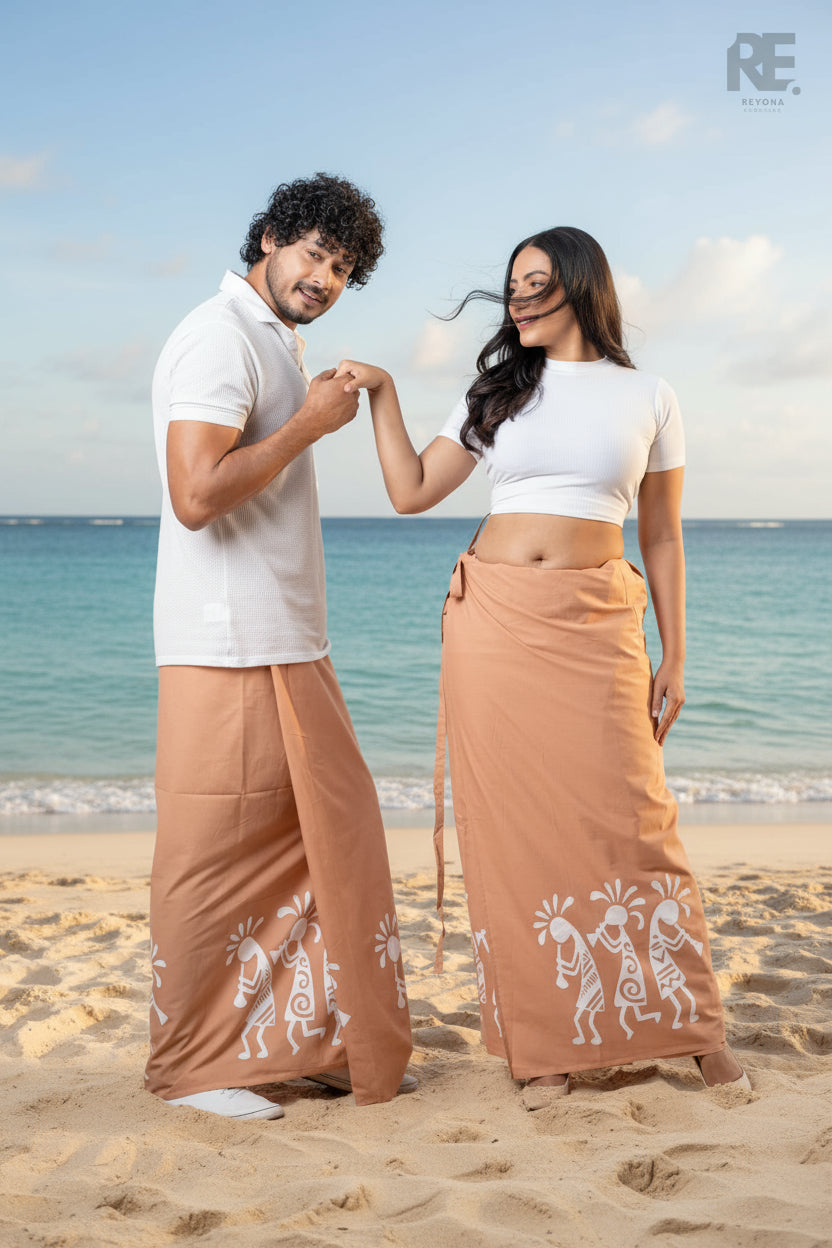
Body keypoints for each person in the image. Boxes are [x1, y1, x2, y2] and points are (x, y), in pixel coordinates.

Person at [334, 225, 749, 1102]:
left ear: (579, 285)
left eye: (535, 283)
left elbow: (663, 533)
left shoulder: (651, 396)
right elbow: (409, 493)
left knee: (635, 817)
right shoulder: (494, 392)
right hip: (494, 624)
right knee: (513, 831)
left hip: (598, 624)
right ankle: (546, 1045)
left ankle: (696, 1028)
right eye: (512, 285)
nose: (517, 298)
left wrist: (677, 651)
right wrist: (385, 395)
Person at [147, 173, 414, 1120]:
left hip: (285, 632)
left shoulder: (273, 341)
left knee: (314, 846)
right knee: (213, 852)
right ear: (267, 238)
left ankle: (288, 1042)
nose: (323, 276)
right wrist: (306, 425)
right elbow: (195, 494)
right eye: (311, 253)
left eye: (341, 267)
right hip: (228, 640)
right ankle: (196, 1070)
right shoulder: (219, 337)